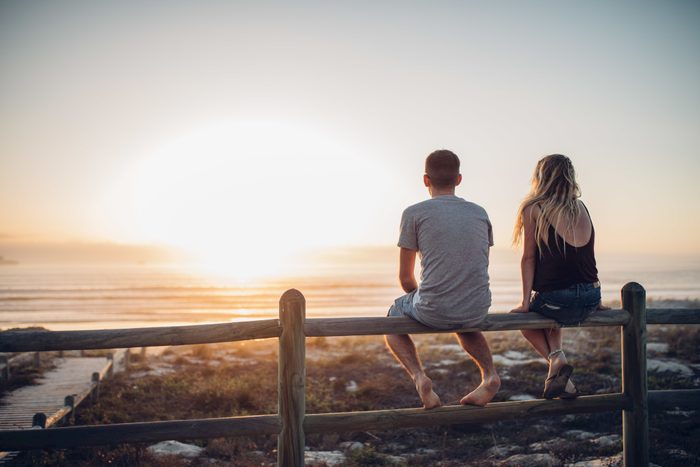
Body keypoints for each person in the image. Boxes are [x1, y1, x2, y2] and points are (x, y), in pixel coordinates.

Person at [385, 149, 500, 409]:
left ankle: (419, 377)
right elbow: (473, 264)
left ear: (426, 180)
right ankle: (491, 375)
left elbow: (405, 278)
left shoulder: (413, 213)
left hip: (436, 307)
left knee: (392, 317)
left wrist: (422, 299)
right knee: (464, 319)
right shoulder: (479, 212)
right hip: (478, 305)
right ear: (459, 179)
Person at [510, 154, 605, 399]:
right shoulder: (581, 207)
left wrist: (524, 303)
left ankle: (557, 361)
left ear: (541, 177)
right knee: (553, 315)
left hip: (557, 300)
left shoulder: (534, 208)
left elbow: (528, 258)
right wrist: (599, 300)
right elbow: (587, 257)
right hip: (590, 297)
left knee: (522, 320)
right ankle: (560, 382)